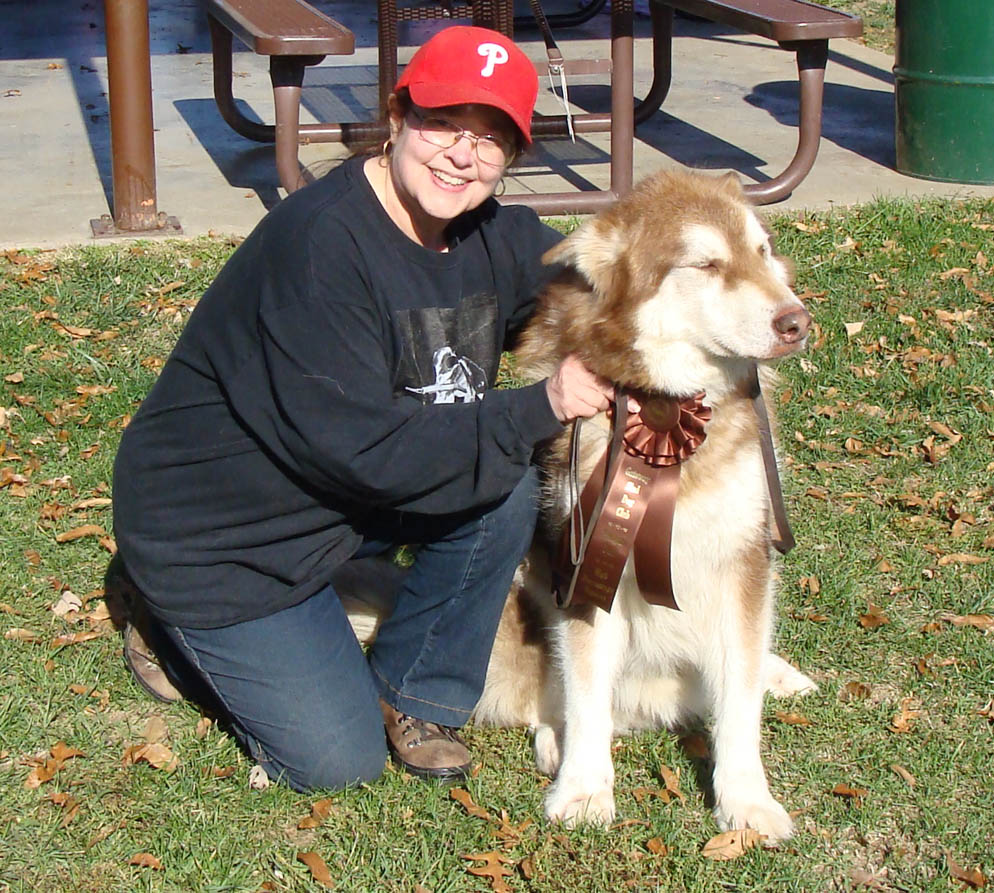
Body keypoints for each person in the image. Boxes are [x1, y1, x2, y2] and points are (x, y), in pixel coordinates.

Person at [110, 25, 617, 792]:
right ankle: (166, 626)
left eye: (490, 139)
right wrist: (540, 403)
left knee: (502, 479)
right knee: (334, 761)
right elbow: (368, 449)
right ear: (397, 116)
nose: (461, 154)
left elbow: (601, 280)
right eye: (444, 123)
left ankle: (416, 691)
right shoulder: (320, 245)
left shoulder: (491, 234)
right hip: (225, 539)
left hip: (337, 505)